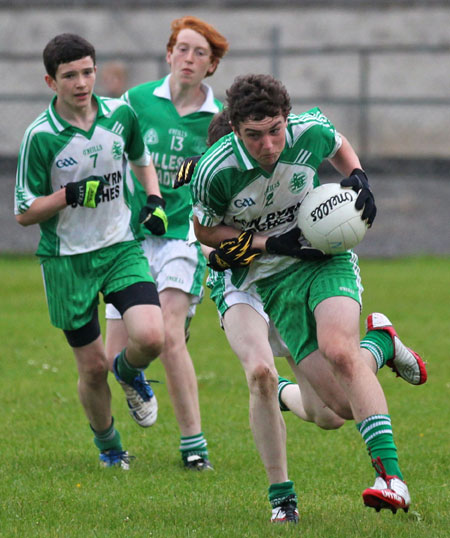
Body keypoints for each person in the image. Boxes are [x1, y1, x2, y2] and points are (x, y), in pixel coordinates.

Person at [176, 109, 427, 522]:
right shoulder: (215, 183)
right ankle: (282, 499)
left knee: (331, 414)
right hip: (243, 286)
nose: (265, 151)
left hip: (292, 275)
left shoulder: (286, 164)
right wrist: (266, 244)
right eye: (252, 142)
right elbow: (214, 252)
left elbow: (328, 157)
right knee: (260, 372)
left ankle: (376, 346)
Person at [14, 33, 166, 469]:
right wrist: (69, 194)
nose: (81, 82)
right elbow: (24, 213)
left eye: (87, 72)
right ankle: (110, 447)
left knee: (152, 336)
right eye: (69, 76)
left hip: (120, 247)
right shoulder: (40, 137)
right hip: (67, 262)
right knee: (92, 367)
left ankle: (131, 370)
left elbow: (141, 158)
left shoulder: (120, 114)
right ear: (51, 81)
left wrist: (153, 200)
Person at [104, 16, 229, 471]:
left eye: (201, 53)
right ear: (169, 54)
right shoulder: (135, 102)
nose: (189, 59)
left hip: (184, 238)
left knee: (170, 335)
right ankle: (127, 374)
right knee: (112, 355)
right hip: (128, 240)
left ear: (211, 66)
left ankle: (194, 447)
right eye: (183, 49)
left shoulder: (219, 122)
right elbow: (103, 146)